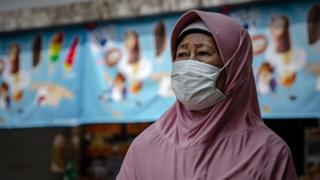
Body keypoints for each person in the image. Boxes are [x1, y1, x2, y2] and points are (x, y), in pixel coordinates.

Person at [116, 10, 297, 180]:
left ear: (236, 68)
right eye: (182, 54)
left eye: (203, 53)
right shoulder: (145, 148)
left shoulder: (268, 153)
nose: (189, 64)